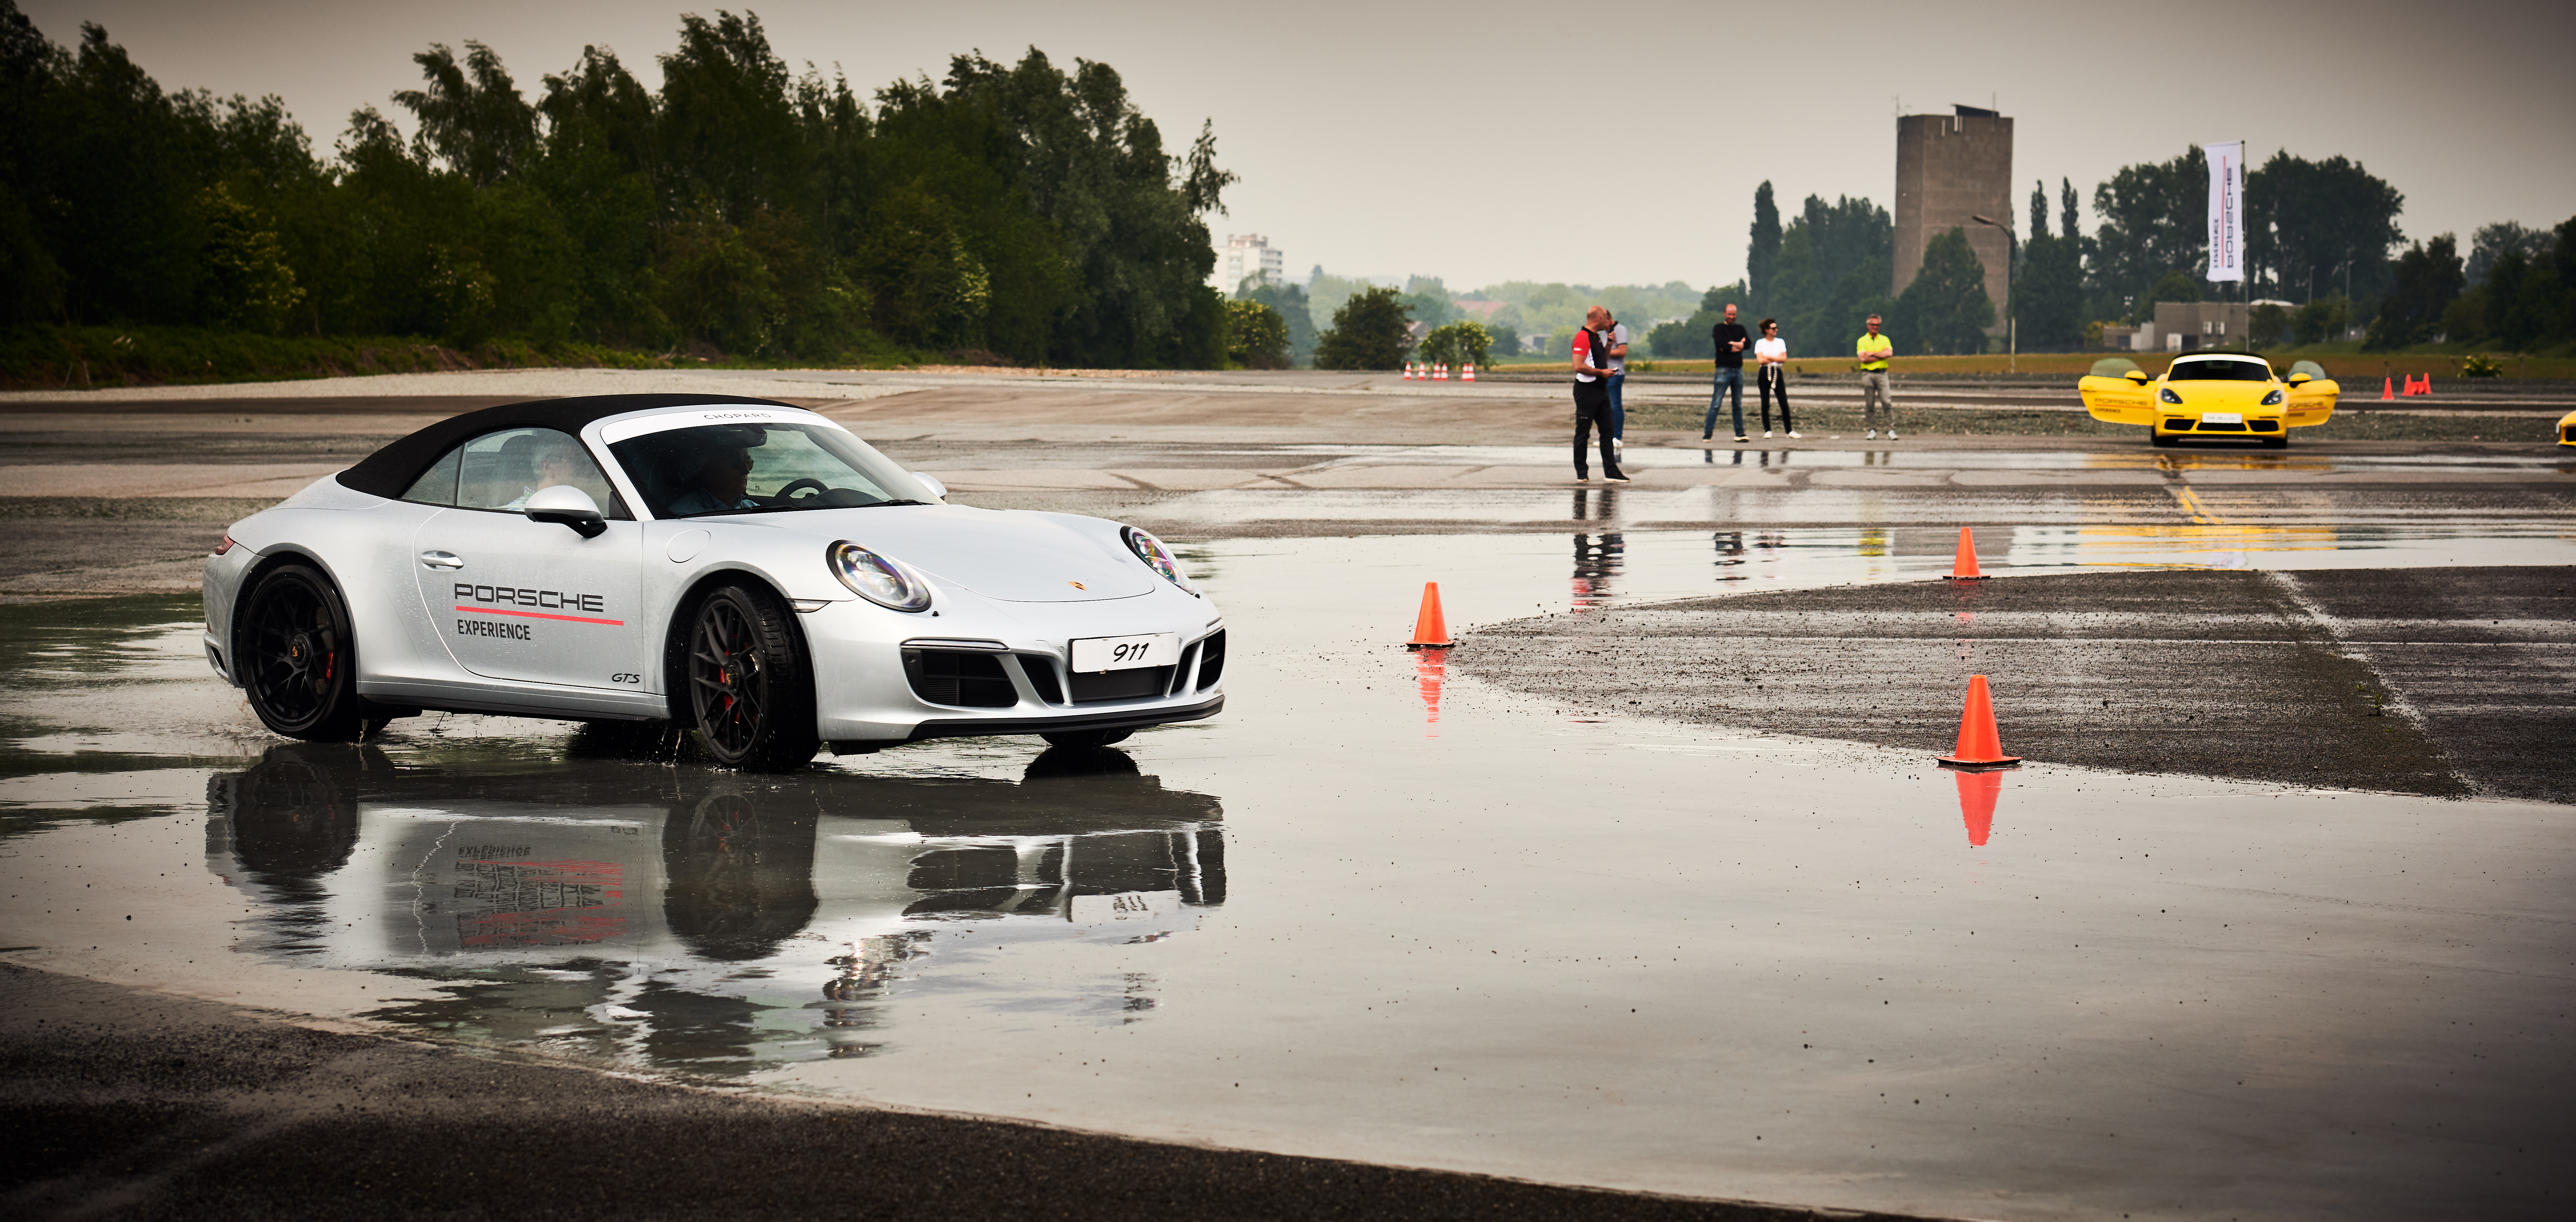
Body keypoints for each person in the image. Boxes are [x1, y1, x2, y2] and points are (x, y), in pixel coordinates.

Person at [1570, 307, 1627, 483]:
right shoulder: (1583, 337)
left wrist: (1609, 345)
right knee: (1583, 432)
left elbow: (1602, 358)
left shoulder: (1595, 337)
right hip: (1586, 390)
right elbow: (1578, 366)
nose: (1609, 323)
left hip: (1601, 389)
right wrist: (1601, 373)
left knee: (1608, 431)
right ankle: (1582, 473)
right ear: (1599, 319)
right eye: (1607, 319)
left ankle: (1611, 472)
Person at [1703, 303, 1751, 442]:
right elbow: (1723, 346)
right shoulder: (1719, 328)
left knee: (1738, 404)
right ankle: (1708, 433)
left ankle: (1740, 433)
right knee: (1716, 403)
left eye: (1734, 315)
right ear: (1724, 314)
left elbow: (1748, 344)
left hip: (1738, 370)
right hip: (1723, 370)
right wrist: (1739, 345)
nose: (1732, 317)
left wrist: (1733, 344)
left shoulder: (1741, 328)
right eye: (1729, 314)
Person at [1754, 318, 1799, 438]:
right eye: (1774, 328)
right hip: (1765, 372)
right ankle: (1768, 430)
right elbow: (1760, 360)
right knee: (1765, 403)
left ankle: (1789, 431)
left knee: (1784, 403)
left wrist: (1768, 357)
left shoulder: (1780, 342)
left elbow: (1783, 359)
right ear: (1767, 330)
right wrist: (1775, 358)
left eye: (1776, 328)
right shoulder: (1760, 343)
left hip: (1777, 372)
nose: (1776, 330)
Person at [1856, 313, 1897, 440]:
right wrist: (1881, 355)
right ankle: (1872, 430)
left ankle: (1890, 429)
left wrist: (1872, 354)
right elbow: (1863, 358)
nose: (1876, 327)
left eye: (1878, 325)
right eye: (1873, 325)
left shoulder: (1885, 339)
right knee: (1870, 404)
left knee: (1886, 402)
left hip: (1882, 374)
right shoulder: (1862, 340)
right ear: (1868, 326)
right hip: (1868, 374)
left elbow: (1889, 353)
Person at [1601, 310, 1631, 452]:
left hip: (1616, 373)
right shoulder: (1603, 332)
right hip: (1604, 374)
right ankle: (1607, 437)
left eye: (1603, 321)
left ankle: (1617, 437)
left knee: (1615, 405)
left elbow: (1622, 351)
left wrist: (1603, 352)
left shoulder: (1620, 330)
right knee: (1605, 407)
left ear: (1609, 319)